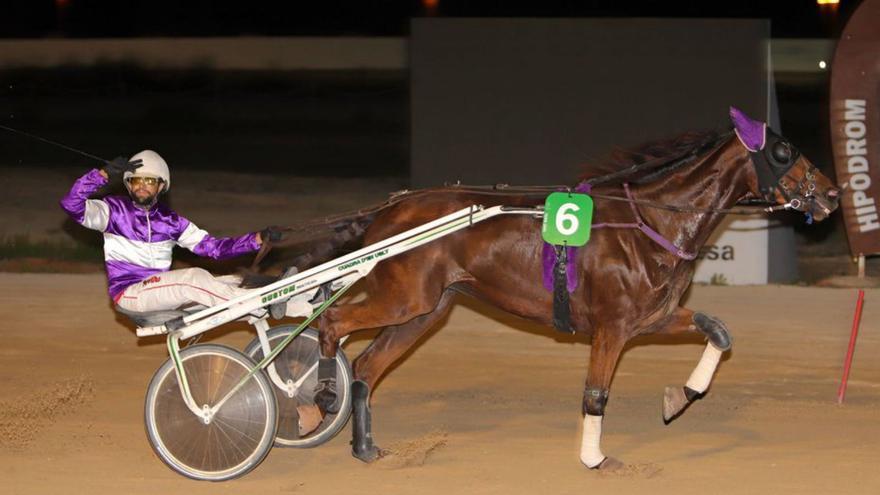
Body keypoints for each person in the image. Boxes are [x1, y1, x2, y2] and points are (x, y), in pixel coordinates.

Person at [60, 150, 297, 319]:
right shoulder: (112, 210)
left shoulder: (171, 221)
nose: (142, 186)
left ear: (161, 186)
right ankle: (257, 305)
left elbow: (213, 248)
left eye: (149, 181)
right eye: (136, 180)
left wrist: (258, 239)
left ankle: (300, 300)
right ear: (128, 184)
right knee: (194, 277)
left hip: (158, 292)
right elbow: (72, 204)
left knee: (232, 282)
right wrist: (100, 175)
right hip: (130, 293)